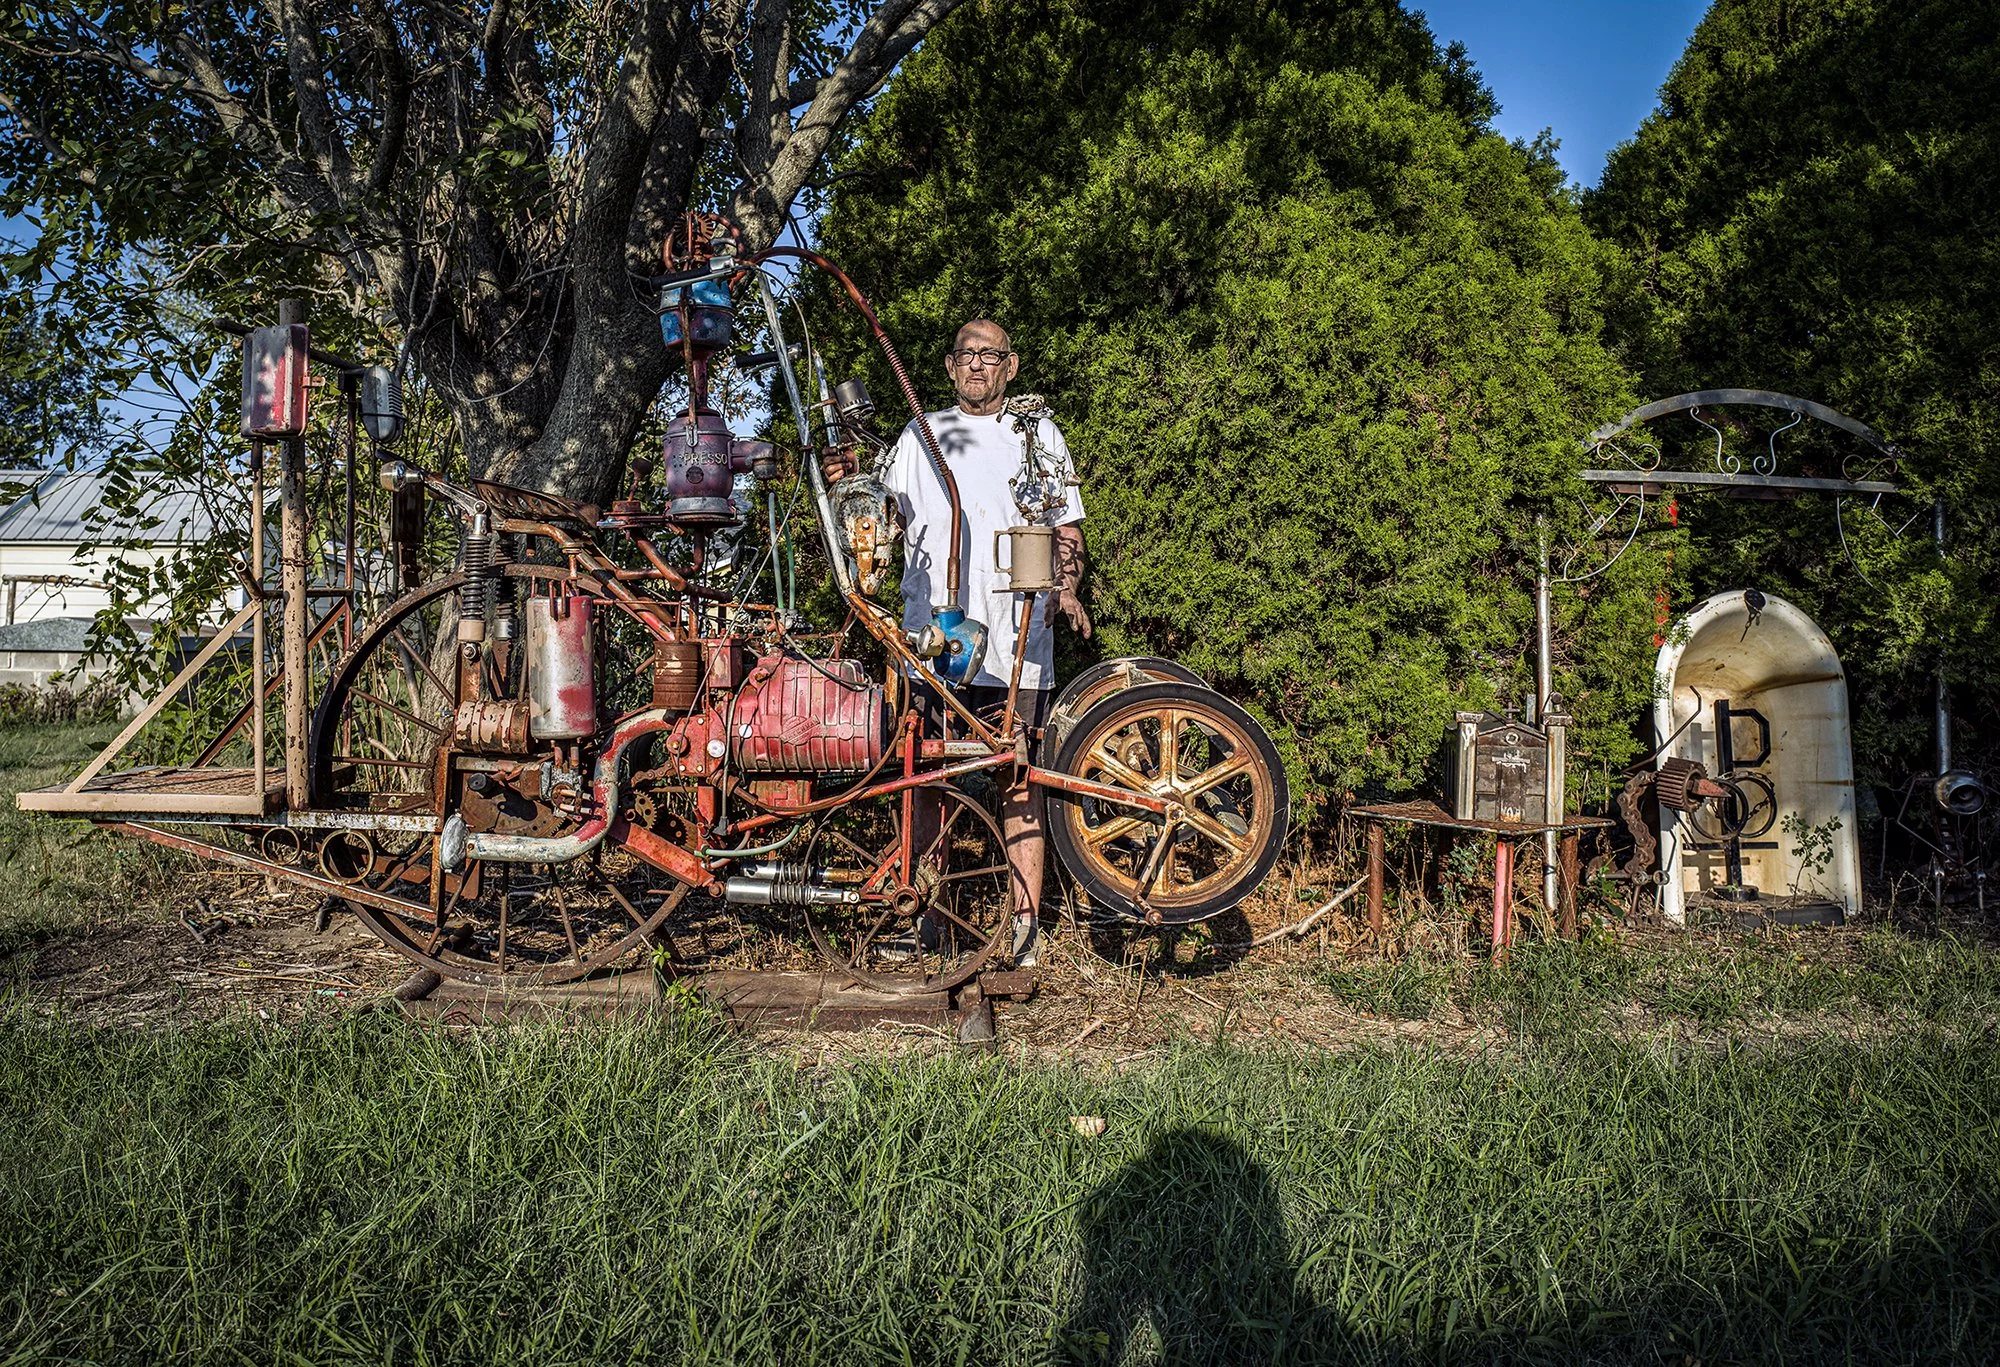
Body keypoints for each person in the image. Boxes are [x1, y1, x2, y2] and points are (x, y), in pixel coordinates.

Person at [828, 319, 1089, 966]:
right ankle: (926, 918)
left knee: (1019, 779)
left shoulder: (1038, 435)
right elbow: (879, 520)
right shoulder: (921, 435)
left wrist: (1066, 588)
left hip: (1017, 644)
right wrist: (848, 486)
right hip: (932, 643)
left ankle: (1025, 927)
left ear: (1011, 365)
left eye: (989, 354)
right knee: (924, 779)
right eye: (966, 354)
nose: (977, 365)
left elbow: (1067, 530)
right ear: (949, 367)